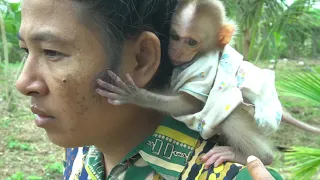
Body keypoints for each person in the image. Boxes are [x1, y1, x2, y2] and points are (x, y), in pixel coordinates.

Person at [15, 0, 283, 179]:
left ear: (142, 59)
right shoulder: (83, 148)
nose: (23, 83)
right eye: (26, 51)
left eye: (52, 52)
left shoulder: (232, 174)